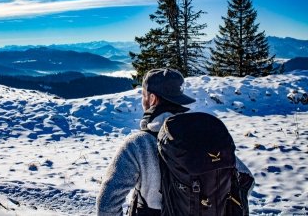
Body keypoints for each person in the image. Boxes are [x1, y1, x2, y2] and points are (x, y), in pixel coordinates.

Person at [96, 68, 254, 216]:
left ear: (152, 99)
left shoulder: (139, 144)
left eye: (143, 95)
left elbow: (106, 204)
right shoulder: (204, 138)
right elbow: (246, 177)